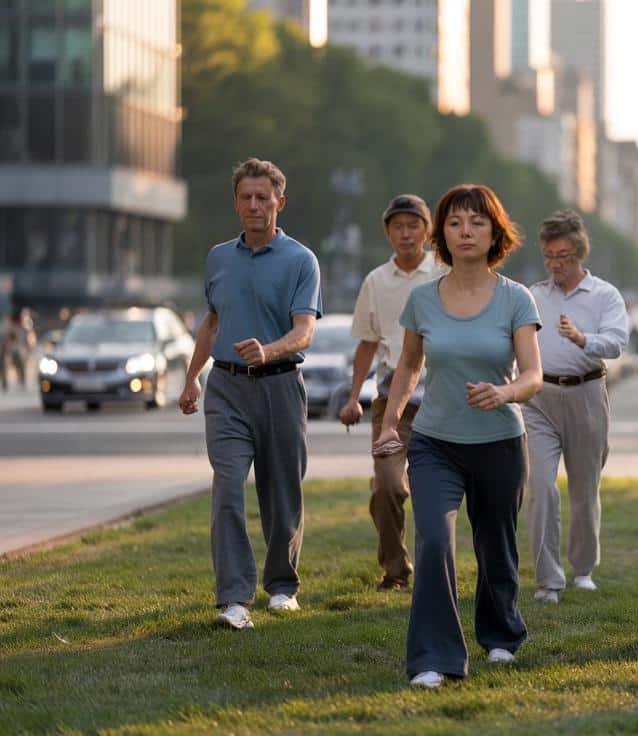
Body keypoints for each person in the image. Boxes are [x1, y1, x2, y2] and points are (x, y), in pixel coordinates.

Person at [373, 183, 543, 689]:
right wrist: (388, 423)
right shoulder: (423, 298)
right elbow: (408, 364)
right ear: (441, 234)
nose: (465, 231)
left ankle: (501, 635)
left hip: (498, 443)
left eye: (476, 221)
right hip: (434, 442)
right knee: (433, 542)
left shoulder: (516, 298)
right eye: (454, 222)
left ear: (495, 232)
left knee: (496, 546)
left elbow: (534, 374)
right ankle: (433, 656)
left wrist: (505, 392)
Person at [179, 158, 323, 630]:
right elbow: (213, 321)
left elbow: (304, 332)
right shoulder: (219, 257)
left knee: (282, 493)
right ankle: (235, 599)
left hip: (280, 386)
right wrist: (191, 377)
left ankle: (282, 586)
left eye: (264, 197)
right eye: (247, 197)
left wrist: (269, 350)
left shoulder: (302, 260)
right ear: (236, 202)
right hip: (225, 389)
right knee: (226, 489)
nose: (255, 205)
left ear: (280, 201)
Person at [524, 210, 630, 604]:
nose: (556, 264)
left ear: (580, 252)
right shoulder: (533, 295)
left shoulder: (604, 295)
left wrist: (585, 339)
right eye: (550, 255)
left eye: (564, 255)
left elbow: (618, 342)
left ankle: (582, 569)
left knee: (585, 490)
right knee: (541, 487)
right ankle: (548, 580)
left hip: (586, 395)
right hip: (539, 401)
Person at [340, 194, 441, 591]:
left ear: (426, 231)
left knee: (436, 491)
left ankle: (436, 570)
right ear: (387, 232)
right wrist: (352, 398)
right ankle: (396, 569)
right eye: (397, 226)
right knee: (387, 486)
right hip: (390, 404)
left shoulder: (443, 273)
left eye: (412, 225)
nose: (405, 233)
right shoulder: (375, 281)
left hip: (439, 399)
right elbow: (367, 343)